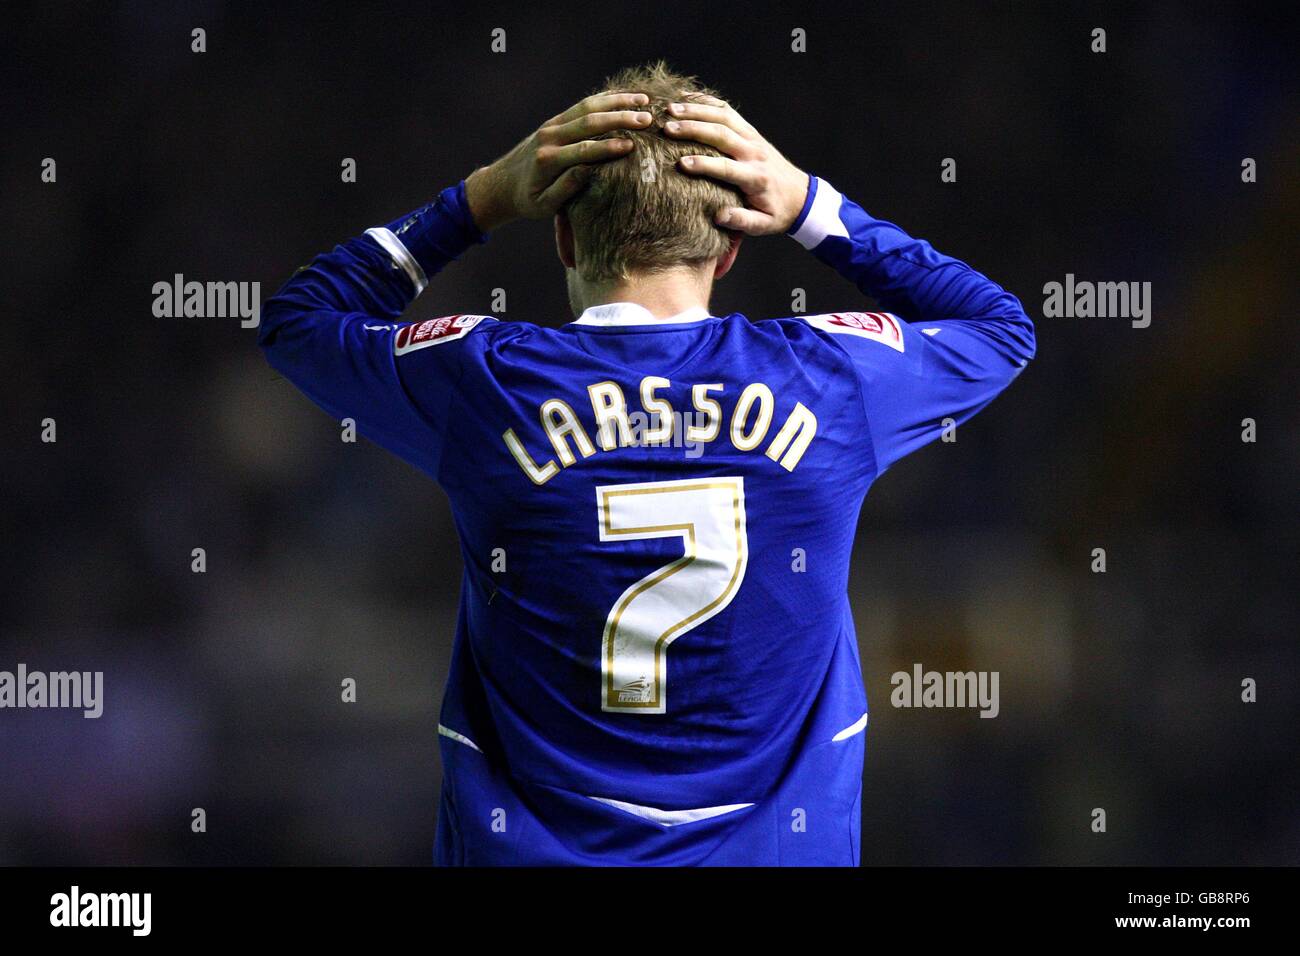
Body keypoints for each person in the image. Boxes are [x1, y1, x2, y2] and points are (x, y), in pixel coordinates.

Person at [259, 62, 1036, 865]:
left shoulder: (485, 383)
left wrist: (478, 199)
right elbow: (1001, 329)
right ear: (731, 245)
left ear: (560, 232)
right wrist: (811, 206)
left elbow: (297, 321)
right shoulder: (829, 380)